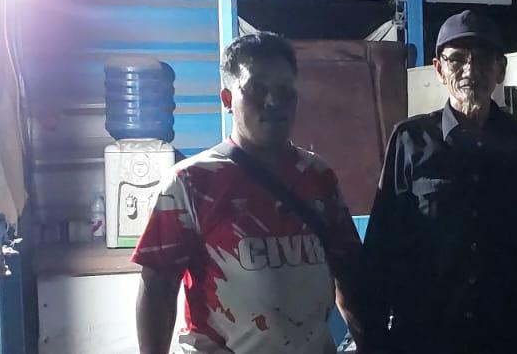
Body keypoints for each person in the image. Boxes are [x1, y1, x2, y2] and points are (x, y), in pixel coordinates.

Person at [133, 32, 365, 354]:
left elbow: (348, 275)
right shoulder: (190, 182)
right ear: (227, 99)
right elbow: (158, 287)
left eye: (285, 91)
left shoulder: (318, 177)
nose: (273, 102)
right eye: (257, 89)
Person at [359, 10, 517, 354]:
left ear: (500, 70)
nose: (470, 70)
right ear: (439, 69)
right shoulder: (410, 139)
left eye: (483, 59)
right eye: (457, 60)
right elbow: (382, 243)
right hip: (427, 335)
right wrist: (374, 336)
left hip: (504, 334)